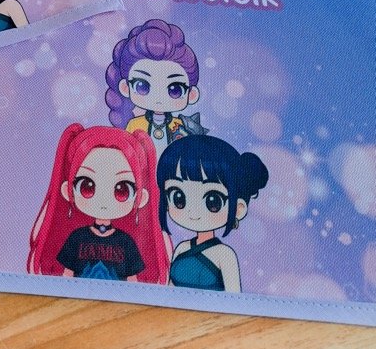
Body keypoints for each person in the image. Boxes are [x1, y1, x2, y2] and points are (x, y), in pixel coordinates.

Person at [28, 124, 169, 283]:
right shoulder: (77, 237)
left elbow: (132, 281)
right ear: (67, 190)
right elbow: (67, 275)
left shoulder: (126, 242)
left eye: (122, 189)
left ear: (141, 197)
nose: (104, 201)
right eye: (87, 186)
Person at [157, 134, 268, 292]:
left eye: (213, 201)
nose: (193, 212)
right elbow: (170, 289)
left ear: (238, 208)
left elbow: (234, 297)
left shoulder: (224, 254)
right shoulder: (181, 248)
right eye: (178, 197)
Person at [105, 20, 207, 156]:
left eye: (175, 90)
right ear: (125, 87)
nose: (158, 97)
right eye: (142, 86)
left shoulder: (182, 127)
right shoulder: (135, 125)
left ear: (192, 94)